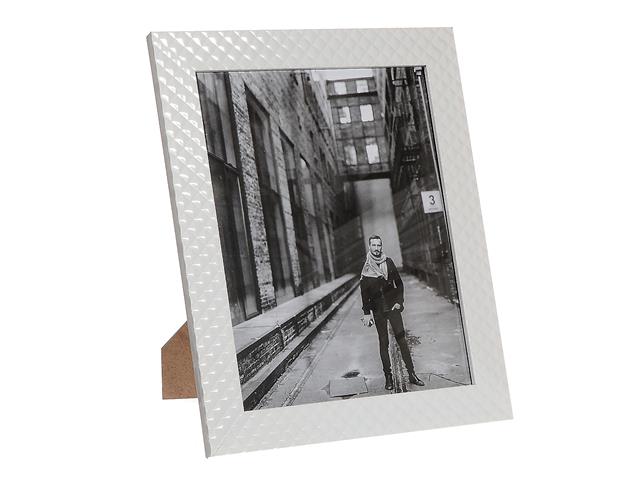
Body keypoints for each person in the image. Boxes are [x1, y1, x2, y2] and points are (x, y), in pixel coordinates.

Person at [360, 235, 425, 390]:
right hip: (378, 311)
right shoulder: (366, 268)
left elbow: (399, 284)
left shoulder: (389, 262)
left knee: (402, 341)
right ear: (370, 247)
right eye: (374, 245)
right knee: (384, 343)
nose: (377, 248)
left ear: (381, 246)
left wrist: (399, 302)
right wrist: (367, 313)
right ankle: (388, 377)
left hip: (393, 308)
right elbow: (364, 294)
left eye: (379, 245)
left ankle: (412, 374)